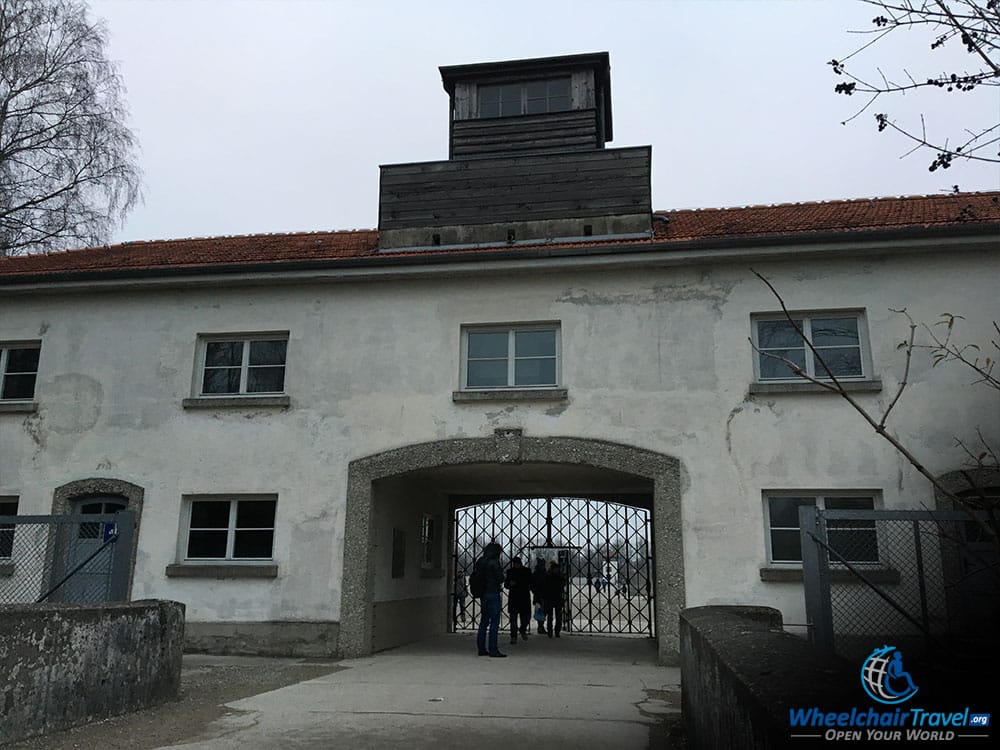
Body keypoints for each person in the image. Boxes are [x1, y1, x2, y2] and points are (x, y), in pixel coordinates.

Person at [475, 542, 506, 657]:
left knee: (484, 621)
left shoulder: (480, 561)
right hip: (493, 593)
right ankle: (493, 649)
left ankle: (481, 648)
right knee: (494, 622)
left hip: (484, 594)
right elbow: (500, 578)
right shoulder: (494, 562)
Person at [504, 556, 532, 644]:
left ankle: (522, 629)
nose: (515, 565)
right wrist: (509, 584)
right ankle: (514, 636)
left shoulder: (526, 571)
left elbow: (531, 582)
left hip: (521, 597)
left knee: (525, 618)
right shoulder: (510, 572)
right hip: (516, 598)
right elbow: (506, 585)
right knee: (513, 619)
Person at [543, 560, 565, 638]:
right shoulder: (556, 577)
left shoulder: (550, 577)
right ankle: (552, 631)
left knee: (556, 616)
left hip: (554, 598)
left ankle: (555, 631)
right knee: (551, 616)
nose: (556, 570)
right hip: (553, 598)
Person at [531, 557, 548, 634]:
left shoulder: (537, 573)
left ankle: (541, 627)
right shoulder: (541, 573)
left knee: (542, 612)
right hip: (540, 596)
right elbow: (532, 586)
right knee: (541, 612)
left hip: (541, 596)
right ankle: (540, 627)